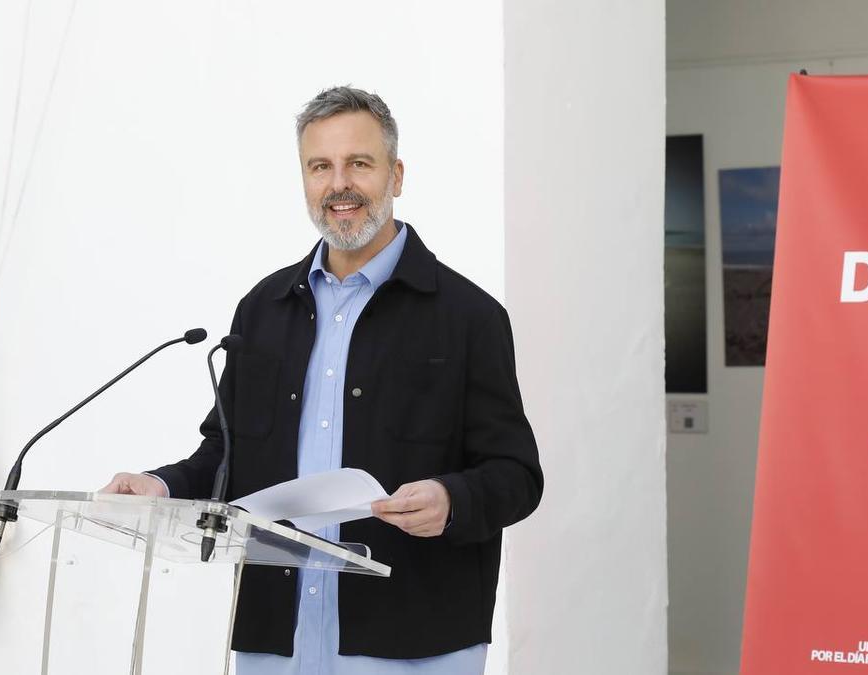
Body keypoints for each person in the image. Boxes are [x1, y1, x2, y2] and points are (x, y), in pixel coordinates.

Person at [101, 86, 543, 674]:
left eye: (359, 163)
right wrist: (160, 487)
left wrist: (451, 501)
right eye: (320, 167)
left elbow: (516, 475)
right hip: (275, 639)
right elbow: (225, 456)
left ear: (397, 175)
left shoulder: (469, 317)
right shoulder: (262, 309)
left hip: (412, 642)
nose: (340, 185)